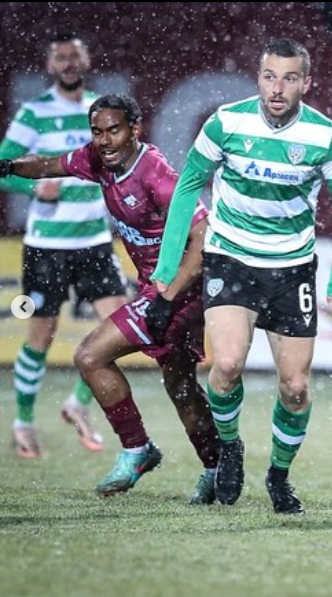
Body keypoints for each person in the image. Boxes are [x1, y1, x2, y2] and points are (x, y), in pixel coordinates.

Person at [150, 38, 332, 514]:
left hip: (291, 268)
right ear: (259, 79)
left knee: (296, 388)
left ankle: (279, 476)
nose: (277, 88)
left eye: (289, 78)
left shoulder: (324, 136)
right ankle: (230, 448)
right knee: (226, 366)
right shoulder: (226, 122)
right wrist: (167, 267)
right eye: (269, 77)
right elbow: (188, 184)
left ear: (306, 83)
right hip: (232, 258)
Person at [0, 94, 220, 503]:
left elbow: (203, 240)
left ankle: (150, 452)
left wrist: (168, 298)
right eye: (97, 131)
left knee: (96, 357)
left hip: (180, 292)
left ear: (135, 130)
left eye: (114, 130)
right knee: (178, 386)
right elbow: (48, 165)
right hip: (155, 290)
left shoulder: (157, 175)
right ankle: (208, 465)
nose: (104, 140)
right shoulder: (97, 159)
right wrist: (9, 167)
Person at [0, 32, 127, 459]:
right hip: (47, 247)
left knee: (121, 329)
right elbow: (2, 168)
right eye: (60, 57)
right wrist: (32, 188)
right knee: (40, 335)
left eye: (75, 55)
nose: (68, 62)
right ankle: (23, 423)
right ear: (50, 65)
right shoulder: (34, 112)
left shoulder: (100, 112)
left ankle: (78, 403)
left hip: (94, 243)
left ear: (87, 60)